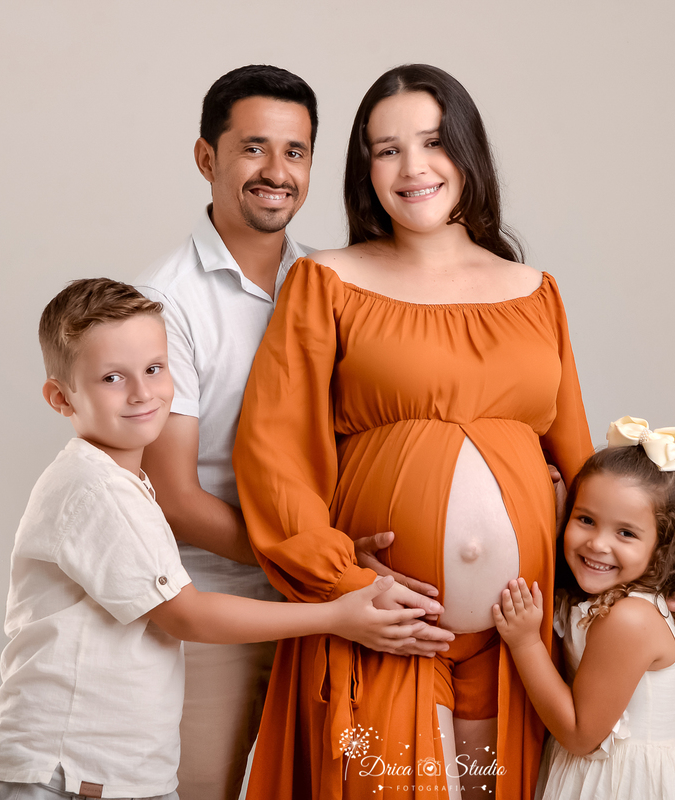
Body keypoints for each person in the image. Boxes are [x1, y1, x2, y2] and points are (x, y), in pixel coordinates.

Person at [233, 64, 594, 800]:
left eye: (433, 142)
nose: (412, 168)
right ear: (365, 171)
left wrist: (647, 588)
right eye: (386, 150)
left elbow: (582, 463)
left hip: (515, 640)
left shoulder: (535, 293)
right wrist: (345, 583)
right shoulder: (327, 281)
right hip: (383, 627)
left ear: (467, 151)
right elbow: (275, 457)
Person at [0, 278, 425, 800]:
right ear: (60, 397)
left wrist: (321, 557)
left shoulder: (121, 482)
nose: (142, 393)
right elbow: (187, 615)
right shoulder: (97, 488)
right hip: (63, 777)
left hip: (116, 776)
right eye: (113, 378)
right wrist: (336, 616)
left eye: (154, 369)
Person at [135, 65, 448, 800]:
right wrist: (316, 566)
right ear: (206, 158)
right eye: (253, 148)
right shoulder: (163, 301)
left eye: (296, 151)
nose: (277, 172)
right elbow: (176, 497)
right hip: (218, 607)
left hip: (334, 607)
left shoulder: (336, 280)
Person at [493, 417, 675, 800]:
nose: (598, 544)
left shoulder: (629, 619)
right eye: (586, 520)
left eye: (626, 533)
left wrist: (525, 643)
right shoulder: (599, 598)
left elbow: (579, 734)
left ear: (662, 547)